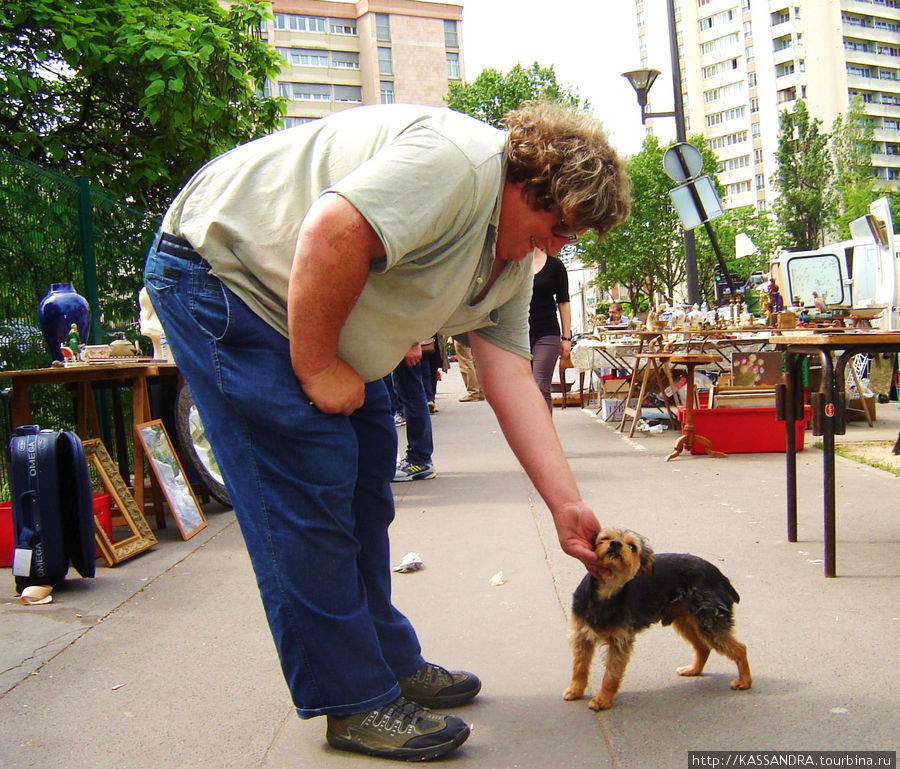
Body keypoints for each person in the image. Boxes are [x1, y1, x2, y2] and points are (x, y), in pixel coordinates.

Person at [143, 101, 630, 762]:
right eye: (557, 226)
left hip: (319, 303)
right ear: (528, 182)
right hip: (228, 272)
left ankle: (383, 660)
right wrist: (316, 365)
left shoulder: (513, 262)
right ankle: (352, 699)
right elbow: (331, 231)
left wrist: (565, 503)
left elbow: (511, 375)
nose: (555, 245)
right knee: (307, 486)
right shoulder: (459, 165)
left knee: (369, 477)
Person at [528, 247, 571, 412]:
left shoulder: (555, 266)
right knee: (523, 388)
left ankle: (542, 434)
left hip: (547, 333)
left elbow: (564, 302)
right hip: (518, 335)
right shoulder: (513, 265)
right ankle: (528, 431)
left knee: (540, 384)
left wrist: (566, 338)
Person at [392, 342, 436, 481]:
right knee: (409, 392)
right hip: (396, 341)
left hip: (401, 341)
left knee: (411, 393)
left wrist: (411, 343)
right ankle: (420, 458)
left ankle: (420, 459)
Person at [451, 335, 484, 401]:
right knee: (475, 362)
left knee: (465, 362)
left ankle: (474, 392)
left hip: (461, 332)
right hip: (473, 332)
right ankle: (481, 391)